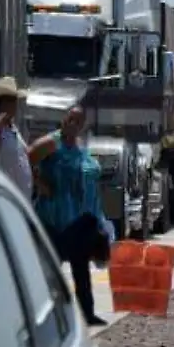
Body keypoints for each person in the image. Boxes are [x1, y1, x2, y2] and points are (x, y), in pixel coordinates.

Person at [30, 104, 113, 327]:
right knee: (50, 271)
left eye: (78, 120)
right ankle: (44, 318)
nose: (73, 123)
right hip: (53, 219)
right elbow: (26, 160)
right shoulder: (51, 143)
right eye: (70, 119)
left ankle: (88, 314)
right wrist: (40, 184)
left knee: (81, 269)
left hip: (76, 220)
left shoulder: (78, 147)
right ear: (64, 120)